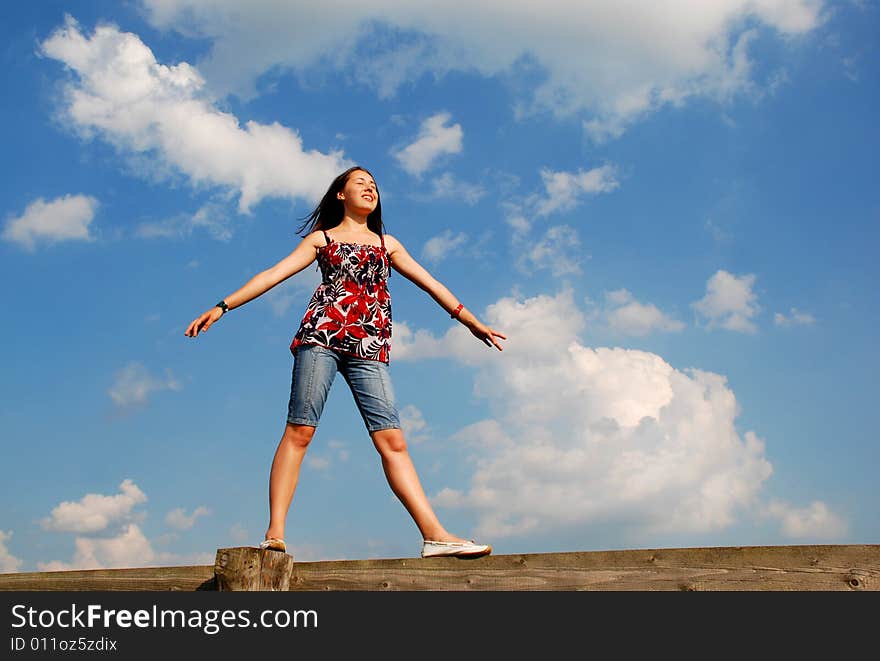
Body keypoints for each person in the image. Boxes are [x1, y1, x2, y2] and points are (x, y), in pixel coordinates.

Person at [185, 166, 506, 559]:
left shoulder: (387, 244)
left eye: (374, 185)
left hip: (369, 347)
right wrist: (223, 306)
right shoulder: (322, 239)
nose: (370, 188)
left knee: (393, 440)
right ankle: (275, 533)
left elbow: (431, 283)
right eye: (361, 183)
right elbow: (273, 275)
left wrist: (472, 321)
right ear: (340, 194)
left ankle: (435, 535)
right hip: (321, 337)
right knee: (300, 431)